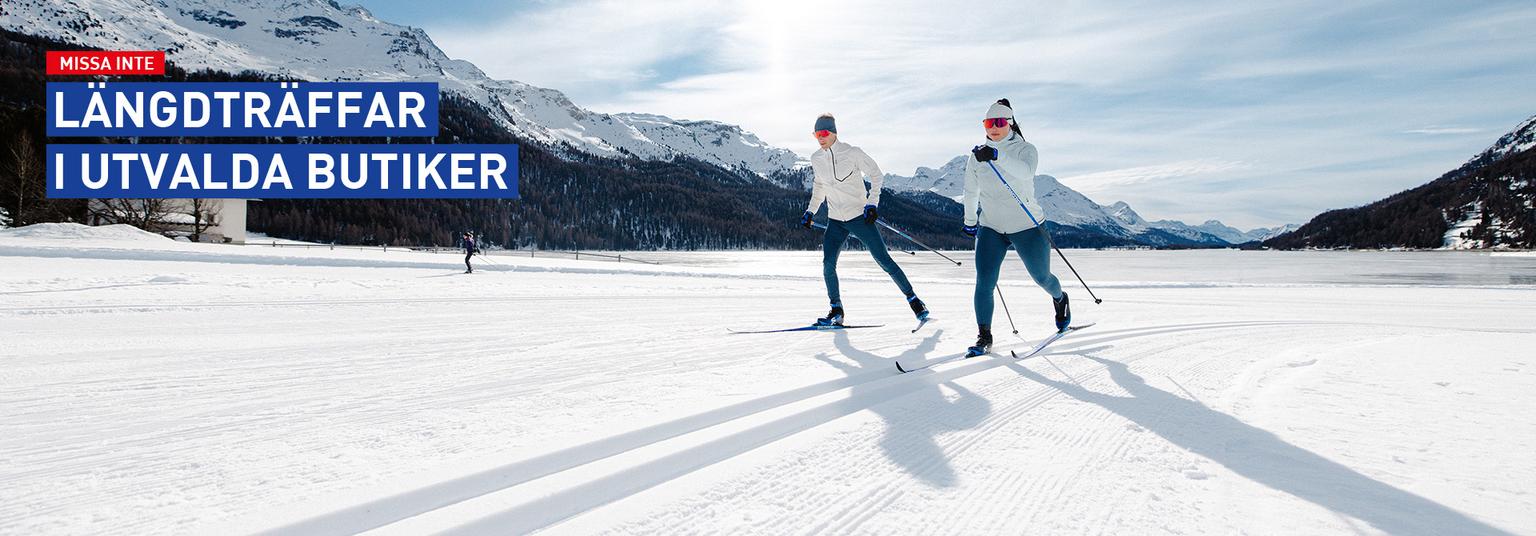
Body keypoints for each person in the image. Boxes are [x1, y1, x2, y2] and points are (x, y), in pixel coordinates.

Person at [961, 99, 1069, 356]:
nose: (994, 128)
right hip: (991, 227)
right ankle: (983, 335)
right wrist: (969, 221)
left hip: (1028, 226)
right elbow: (970, 190)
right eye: (989, 123)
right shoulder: (976, 156)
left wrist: (997, 157)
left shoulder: (1026, 150)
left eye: (999, 122)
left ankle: (1060, 298)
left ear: (1010, 124)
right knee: (984, 282)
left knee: (1042, 278)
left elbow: (1025, 173)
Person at [799, 113, 929, 326]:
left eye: (823, 133)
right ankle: (836, 310)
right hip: (835, 221)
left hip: (859, 217)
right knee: (828, 264)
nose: (820, 138)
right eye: (816, 134)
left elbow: (877, 175)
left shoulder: (852, 153)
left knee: (883, 260)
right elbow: (819, 186)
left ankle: (914, 300)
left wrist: (872, 203)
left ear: (833, 133)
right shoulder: (816, 159)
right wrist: (810, 211)